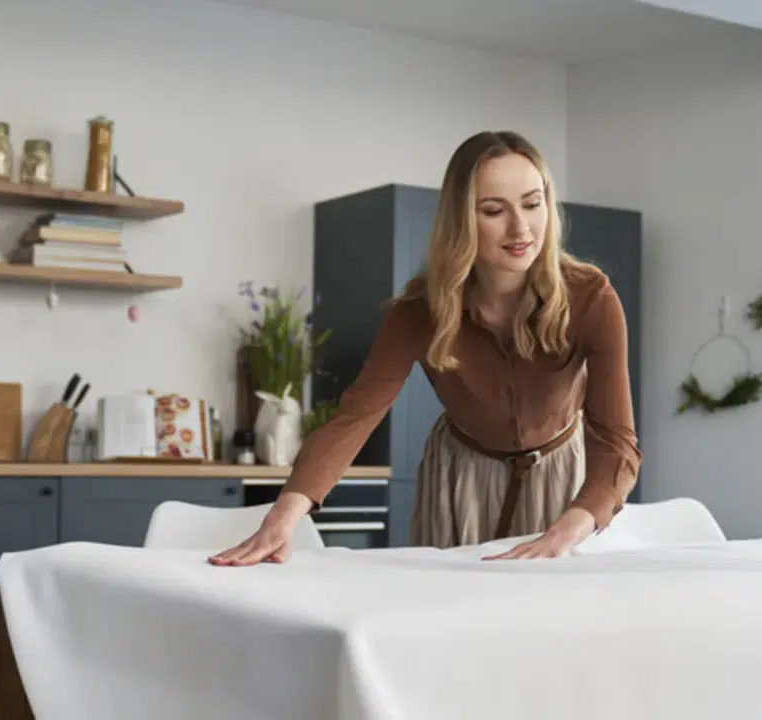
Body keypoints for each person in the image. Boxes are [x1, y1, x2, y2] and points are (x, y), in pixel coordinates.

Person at [209, 130, 641, 565]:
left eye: (532, 203)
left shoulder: (591, 298)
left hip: (567, 482)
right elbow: (354, 417)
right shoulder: (419, 309)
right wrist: (283, 516)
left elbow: (616, 441)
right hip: (461, 479)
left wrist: (571, 526)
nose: (520, 228)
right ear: (461, 220)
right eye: (494, 210)